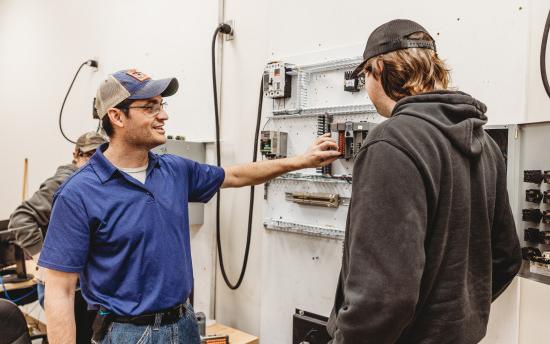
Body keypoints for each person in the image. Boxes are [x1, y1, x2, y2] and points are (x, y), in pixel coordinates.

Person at [37, 69, 341, 344]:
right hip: (126, 333)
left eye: (162, 105)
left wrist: (302, 161)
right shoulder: (78, 193)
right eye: (150, 107)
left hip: (183, 324)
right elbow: (60, 290)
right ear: (117, 116)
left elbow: (234, 174)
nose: (163, 116)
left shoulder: (173, 170)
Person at [327, 19, 522, 343]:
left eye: (365, 77)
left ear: (378, 68)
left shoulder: (390, 143)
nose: (366, 88)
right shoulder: (484, 143)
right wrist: (453, 319)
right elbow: (506, 258)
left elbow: (383, 297)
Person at [7, 131, 107, 343]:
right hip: (65, 285)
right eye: (89, 155)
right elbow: (21, 218)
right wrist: (40, 257)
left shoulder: (95, 180)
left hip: (80, 283)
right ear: (76, 155)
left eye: (99, 154)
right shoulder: (66, 180)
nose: (94, 160)